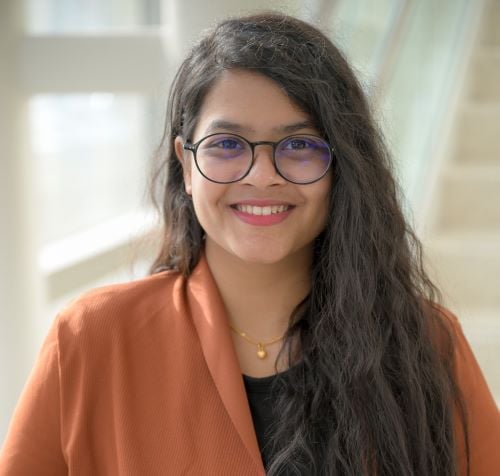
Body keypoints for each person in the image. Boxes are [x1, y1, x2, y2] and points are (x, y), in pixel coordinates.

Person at [1, 12, 499, 476]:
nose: (262, 176)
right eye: (226, 145)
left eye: (299, 145)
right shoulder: (91, 339)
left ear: (342, 165)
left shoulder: (427, 344)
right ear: (186, 164)